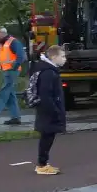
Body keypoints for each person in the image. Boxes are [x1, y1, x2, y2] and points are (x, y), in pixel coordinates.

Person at [30, 45, 68, 175]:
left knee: (48, 137)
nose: (65, 59)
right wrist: (55, 111)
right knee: (47, 137)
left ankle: (43, 163)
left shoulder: (48, 70)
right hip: (48, 112)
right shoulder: (48, 72)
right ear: (54, 57)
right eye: (62, 56)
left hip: (47, 111)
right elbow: (46, 95)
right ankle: (42, 165)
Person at [0, 26, 27, 126]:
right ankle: (15, 118)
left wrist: (14, 67)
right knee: (10, 95)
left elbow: (21, 56)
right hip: (6, 71)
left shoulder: (13, 42)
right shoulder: (4, 44)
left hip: (11, 71)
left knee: (4, 92)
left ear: (2, 33)